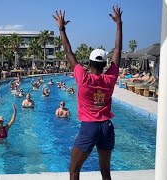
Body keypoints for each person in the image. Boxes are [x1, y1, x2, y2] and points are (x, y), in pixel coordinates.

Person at [53, 6, 122, 180]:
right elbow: (117, 52)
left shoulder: (83, 78)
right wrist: (119, 24)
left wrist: (61, 29)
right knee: (106, 172)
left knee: (74, 169)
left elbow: (69, 52)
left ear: (89, 63)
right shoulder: (110, 78)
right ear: (104, 64)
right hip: (107, 127)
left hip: (89, 127)